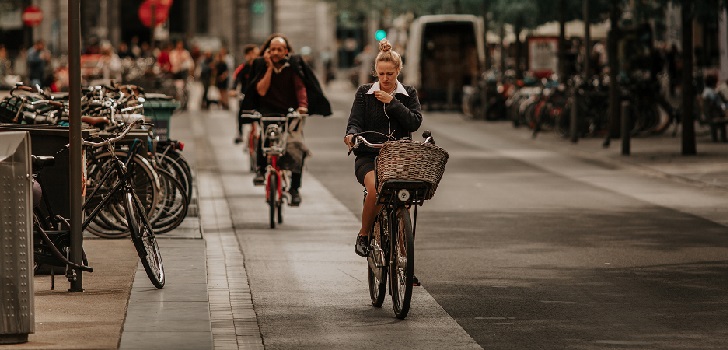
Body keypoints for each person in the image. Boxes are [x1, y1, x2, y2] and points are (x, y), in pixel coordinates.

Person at [343, 38, 422, 260]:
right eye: (381, 74)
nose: (385, 79)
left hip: (399, 158)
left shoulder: (409, 93)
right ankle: (364, 235)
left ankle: (404, 261)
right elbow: (355, 122)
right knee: (376, 190)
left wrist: (393, 102)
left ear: (398, 71)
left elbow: (414, 122)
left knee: (403, 202)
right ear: (376, 72)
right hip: (369, 156)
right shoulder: (364, 92)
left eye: (390, 74)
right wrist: (351, 135)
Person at [241, 33, 331, 206]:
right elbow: (260, 91)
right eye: (272, 49)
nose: (275, 52)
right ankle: (261, 170)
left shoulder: (293, 66)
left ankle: (294, 189)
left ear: (286, 51)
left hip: (290, 114)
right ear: (267, 51)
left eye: (279, 49)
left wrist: (303, 107)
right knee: (263, 138)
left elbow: (300, 89)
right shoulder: (261, 65)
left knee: (296, 146)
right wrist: (268, 67)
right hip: (267, 111)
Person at [231, 44, 261, 141]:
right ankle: (240, 133)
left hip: (258, 96)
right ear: (247, 55)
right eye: (252, 54)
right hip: (245, 95)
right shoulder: (243, 67)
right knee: (241, 112)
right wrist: (233, 89)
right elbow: (236, 79)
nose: (254, 56)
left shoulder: (261, 66)